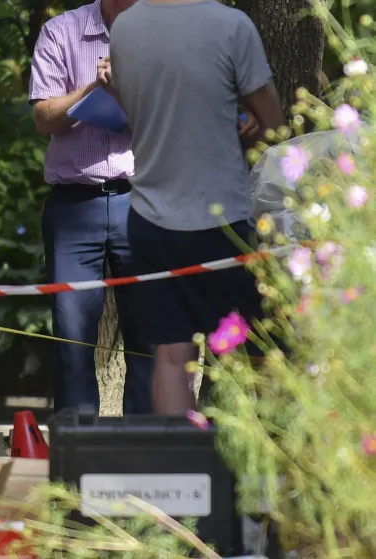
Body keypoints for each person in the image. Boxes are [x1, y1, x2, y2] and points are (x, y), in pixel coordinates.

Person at [109, 0, 285, 413]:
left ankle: (178, 473)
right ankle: (246, 471)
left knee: (171, 358)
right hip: (221, 220)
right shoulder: (231, 25)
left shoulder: (125, 28)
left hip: (151, 217)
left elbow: (143, 107)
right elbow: (276, 123)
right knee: (244, 356)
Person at [29, 0, 153, 415]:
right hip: (73, 205)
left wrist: (126, 89)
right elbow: (44, 116)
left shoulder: (163, 30)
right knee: (71, 336)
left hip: (142, 201)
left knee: (150, 334)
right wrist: (94, 90)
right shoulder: (61, 31)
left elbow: (177, 113)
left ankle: (143, 450)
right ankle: (76, 458)